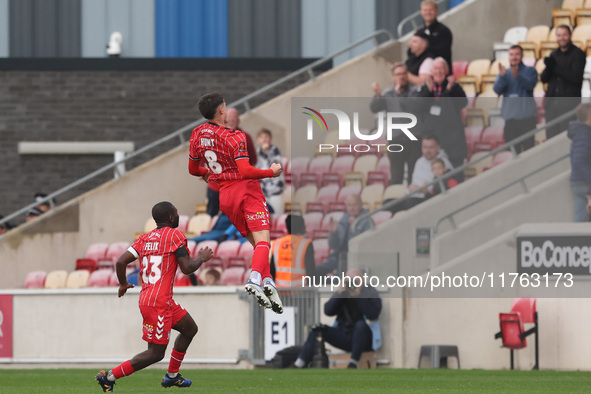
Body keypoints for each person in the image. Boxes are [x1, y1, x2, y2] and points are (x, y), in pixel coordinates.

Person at [95, 201, 214, 392]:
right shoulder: (175, 236)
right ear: (170, 217)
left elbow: (120, 261)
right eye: (176, 213)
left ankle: (172, 376)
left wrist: (123, 283)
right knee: (156, 353)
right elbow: (187, 268)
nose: (177, 216)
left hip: (156, 300)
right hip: (158, 304)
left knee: (190, 329)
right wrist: (202, 258)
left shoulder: (144, 239)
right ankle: (109, 377)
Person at [188, 92, 284, 314]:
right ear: (222, 110)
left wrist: (207, 173)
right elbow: (246, 170)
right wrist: (272, 172)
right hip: (246, 191)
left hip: (225, 197)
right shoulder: (235, 136)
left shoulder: (197, 134)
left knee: (259, 245)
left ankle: (268, 284)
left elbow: (193, 169)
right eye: (225, 105)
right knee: (263, 242)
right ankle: (254, 280)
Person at [293, 269, 382, 369]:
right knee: (318, 330)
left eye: (355, 281)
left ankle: (353, 362)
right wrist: (339, 294)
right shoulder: (344, 292)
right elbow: (328, 311)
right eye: (349, 280)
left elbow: (373, 314)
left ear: (362, 281)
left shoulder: (369, 292)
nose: (352, 284)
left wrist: (358, 296)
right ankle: (299, 363)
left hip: (364, 337)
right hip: (345, 334)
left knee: (360, 325)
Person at [413, 57, 468, 176]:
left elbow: (462, 102)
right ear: (431, 72)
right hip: (433, 145)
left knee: (455, 178)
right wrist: (428, 91)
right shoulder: (425, 87)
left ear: (446, 71)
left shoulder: (453, 86)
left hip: (453, 144)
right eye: (436, 69)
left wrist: (449, 90)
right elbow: (417, 106)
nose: (438, 72)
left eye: (441, 69)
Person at [370, 62, 422, 185]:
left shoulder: (416, 91)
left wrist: (399, 96)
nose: (401, 77)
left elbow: (414, 107)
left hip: (414, 138)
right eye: (398, 74)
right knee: (396, 177)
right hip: (396, 139)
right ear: (393, 77)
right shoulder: (388, 94)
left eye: (404, 74)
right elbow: (374, 108)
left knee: (413, 176)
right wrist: (377, 95)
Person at [205, 107, 258, 217]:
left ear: (238, 121)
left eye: (234, 118)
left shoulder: (245, 137)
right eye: (229, 117)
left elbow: (253, 159)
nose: (231, 120)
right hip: (216, 185)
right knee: (212, 215)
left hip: (236, 185)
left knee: (234, 215)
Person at [541, 25, 586, 140]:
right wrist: (548, 68)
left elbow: (575, 78)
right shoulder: (554, 54)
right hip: (552, 106)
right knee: (551, 140)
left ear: (570, 36)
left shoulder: (578, 54)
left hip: (568, 106)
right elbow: (544, 79)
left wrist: (554, 67)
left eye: (564, 35)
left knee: (565, 140)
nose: (562, 38)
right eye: (559, 35)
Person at [493, 45, 538, 152]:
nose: (514, 57)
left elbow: (530, 85)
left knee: (529, 153)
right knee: (513, 154)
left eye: (517, 54)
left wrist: (517, 76)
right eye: (511, 54)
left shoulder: (530, 71)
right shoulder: (505, 73)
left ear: (522, 55)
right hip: (510, 122)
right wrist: (503, 77)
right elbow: (497, 90)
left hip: (527, 120)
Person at [315, 195, 373, 276]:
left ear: (361, 205)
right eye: (349, 205)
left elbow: (365, 244)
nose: (351, 208)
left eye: (354, 205)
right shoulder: (344, 219)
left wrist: (354, 229)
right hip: (337, 258)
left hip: (354, 260)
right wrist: (334, 233)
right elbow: (333, 245)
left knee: (337, 279)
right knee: (314, 272)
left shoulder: (367, 221)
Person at [270, 214, 317, 287]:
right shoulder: (305, 244)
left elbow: (272, 270)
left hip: (281, 291)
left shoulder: (277, 243)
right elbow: (310, 271)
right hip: (299, 292)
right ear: (302, 227)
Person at [410, 0, 453, 69]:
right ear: (421, 12)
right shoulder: (419, 32)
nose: (428, 13)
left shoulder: (444, 31)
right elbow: (410, 51)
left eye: (431, 10)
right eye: (425, 10)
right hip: (420, 72)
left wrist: (423, 48)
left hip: (440, 73)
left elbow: (443, 52)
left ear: (437, 11)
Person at [567, 103, 591, 222]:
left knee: (580, 220)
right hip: (584, 183)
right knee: (581, 220)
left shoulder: (581, 133)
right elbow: (579, 161)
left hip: (579, 182)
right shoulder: (585, 135)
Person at [256, 128, 285, 216]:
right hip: (263, 191)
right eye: (261, 137)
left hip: (275, 191)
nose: (264, 139)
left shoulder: (275, 150)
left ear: (270, 139)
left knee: (277, 217)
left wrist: (265, 152)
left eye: (266, 137)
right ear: (258, 140)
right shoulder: (256, 153)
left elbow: (275, 166)